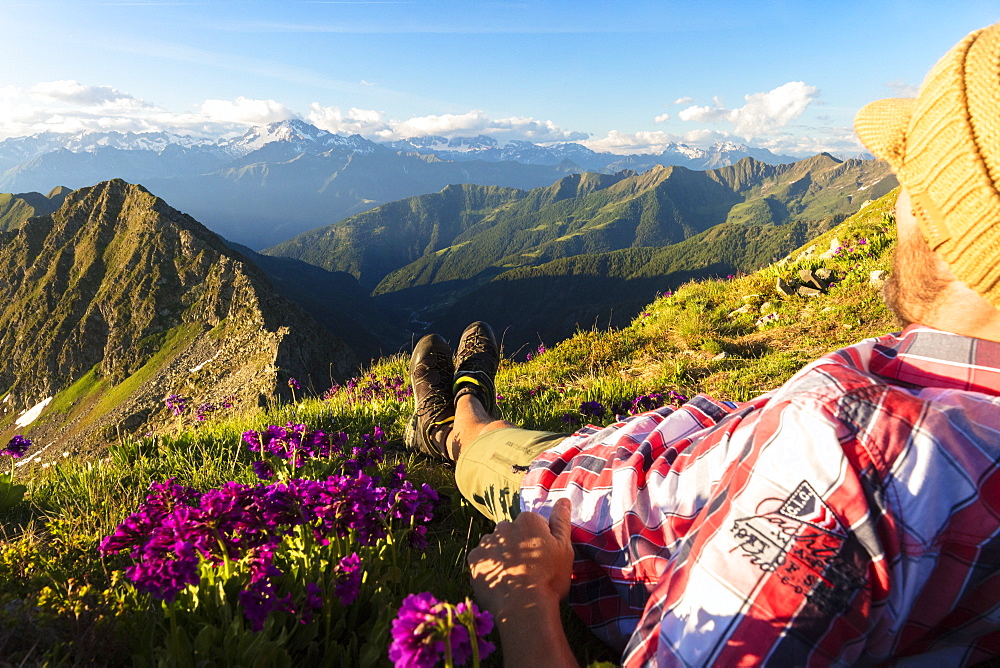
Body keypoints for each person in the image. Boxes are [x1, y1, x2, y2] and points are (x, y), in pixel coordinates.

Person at [404, 23, 1000, 666]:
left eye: (913, 179)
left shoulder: (851, 468)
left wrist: (524, 596)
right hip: (691, 451)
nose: (896, 202)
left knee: (497, 456)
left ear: (954, 229)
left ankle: (453, 422)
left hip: (586, 510)